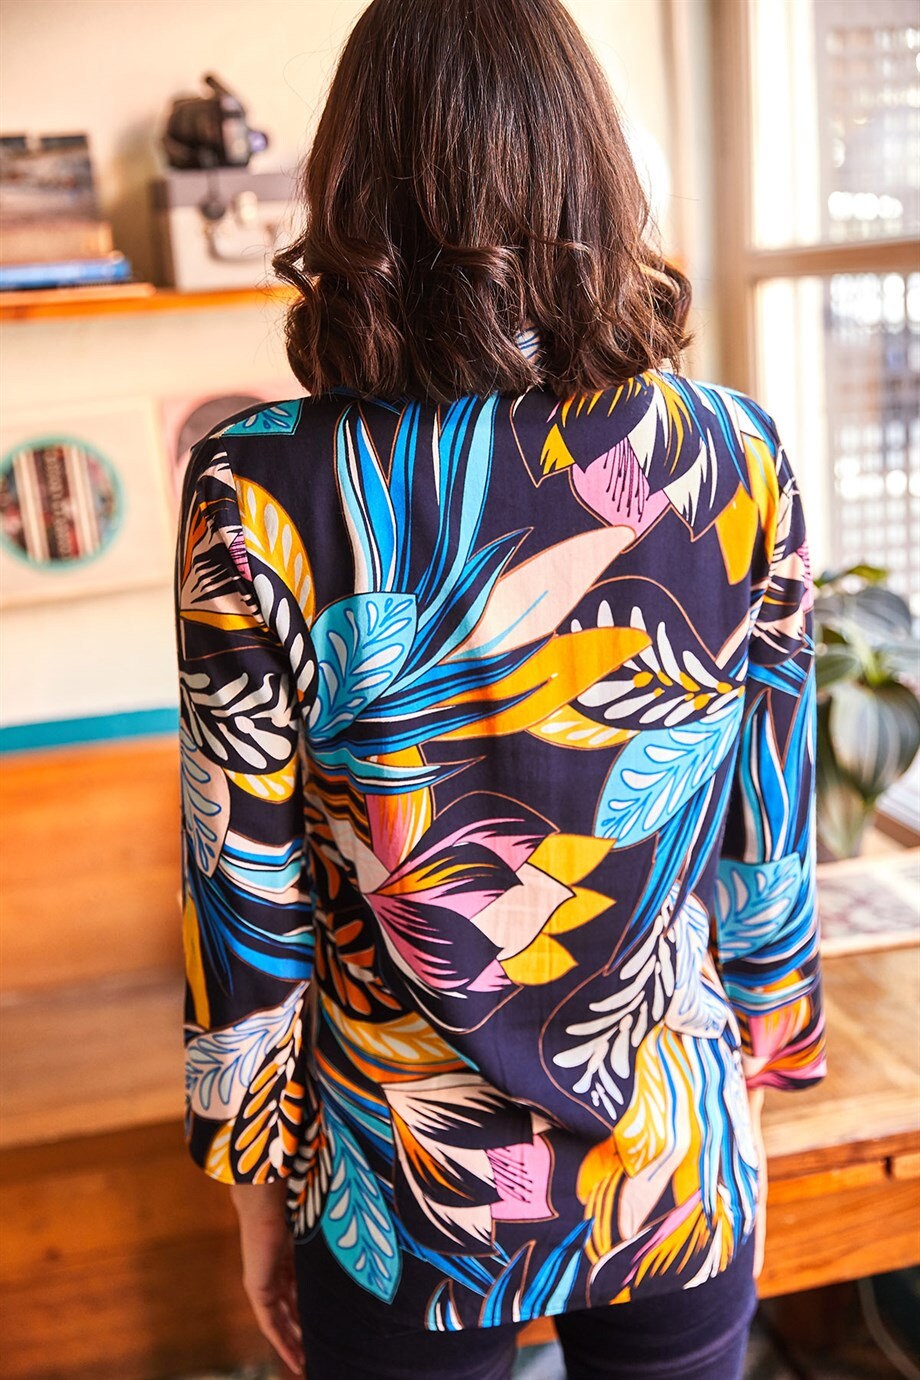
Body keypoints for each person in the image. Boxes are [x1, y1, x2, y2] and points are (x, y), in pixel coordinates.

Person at [173, 2, 827, 1376]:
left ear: (353, 181)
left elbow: (245, 896)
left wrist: (253, 1191)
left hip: (396, 1190)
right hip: (674, 1149)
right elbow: (767, 836)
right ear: (589, 166)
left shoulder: (264, 483)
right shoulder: (737, 455)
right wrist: (770, 1078)